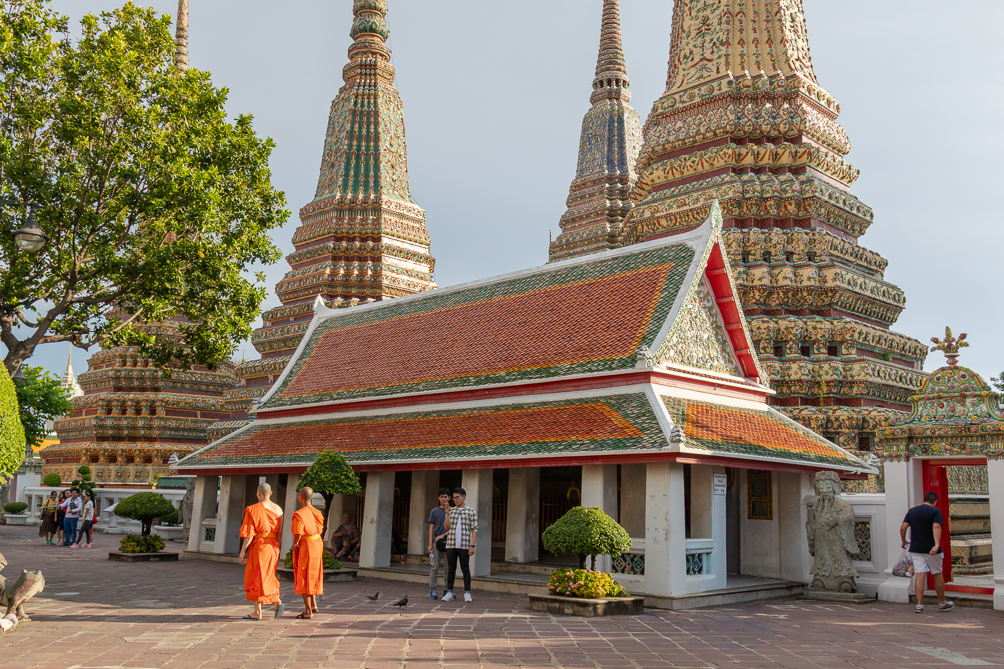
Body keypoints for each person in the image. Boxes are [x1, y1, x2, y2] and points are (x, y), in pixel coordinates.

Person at [901, 491, 955, 613]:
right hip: (931, 549)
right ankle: (942, 603)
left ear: (924, 499)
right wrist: (936, 544)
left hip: (916, 548)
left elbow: (903, 527)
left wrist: (903, 541)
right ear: (935, 502)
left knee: (920, 573)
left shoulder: (912, 511)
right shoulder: (936, 511)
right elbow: (936, 527)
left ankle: (919, 605)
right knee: (937, 573)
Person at [238, 482, 285, 620]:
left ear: (258, 493)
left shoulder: (253, 509)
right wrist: (277, 547)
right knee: (268, 576)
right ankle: (275, 602)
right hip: (273, 546)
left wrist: (242, 551)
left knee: (256, 577)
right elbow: (280, 532)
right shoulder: (279, 509)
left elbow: (250, 534)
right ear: (270, 493)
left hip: (259, 546)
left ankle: (261, 609)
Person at [290, 487, 324, 619]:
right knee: (314, 573)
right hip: (317, 544)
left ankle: (308, 611)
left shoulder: (299, 514)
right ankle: (314, 605)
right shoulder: (318, 512)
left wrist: (296, 545)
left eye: (299, 496)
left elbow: (298, 533)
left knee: (303, 576)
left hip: (306, 547)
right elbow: (319, 529)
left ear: (302, 498)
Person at [442, 487, 478, 603]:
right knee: (451, 569)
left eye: (457, 497)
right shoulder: (451, 510)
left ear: (464, 497)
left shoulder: (471, 511)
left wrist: (472, 546)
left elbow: (474, 530)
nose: (455, 500)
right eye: (454, 498)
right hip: (451, 544)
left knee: (465, 569)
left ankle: (467, 592)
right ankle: (449, 592)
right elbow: (446, 527)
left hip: (464, 545)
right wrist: (447, 515)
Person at [428, 487, 451, 599]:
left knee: (448, 568)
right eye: (441, 497)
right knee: (434, 567)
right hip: (436, 542)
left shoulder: (452, 511)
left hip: (449, 542)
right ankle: (433, 589)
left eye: (445, 497)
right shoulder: (434, 511)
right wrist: (430, 544)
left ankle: (447, 590)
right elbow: (431, 528)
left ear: (449, 498)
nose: (443, 499)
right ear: (438, 498)